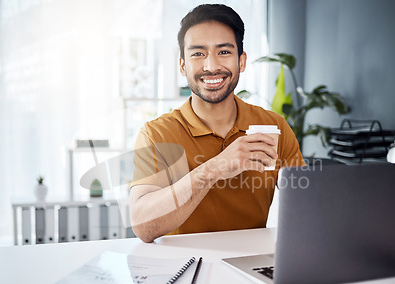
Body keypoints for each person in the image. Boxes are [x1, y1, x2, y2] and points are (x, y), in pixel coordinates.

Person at [129, 4, 304, 243]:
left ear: (241, 62)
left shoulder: (275, 126)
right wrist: (214, 169)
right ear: (182, 65)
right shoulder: (156, 134)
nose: (211, 67)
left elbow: (306, 206)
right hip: (182, 269)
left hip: (251, 264)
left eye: (223, 52)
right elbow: (142, 226)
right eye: (198, 54)